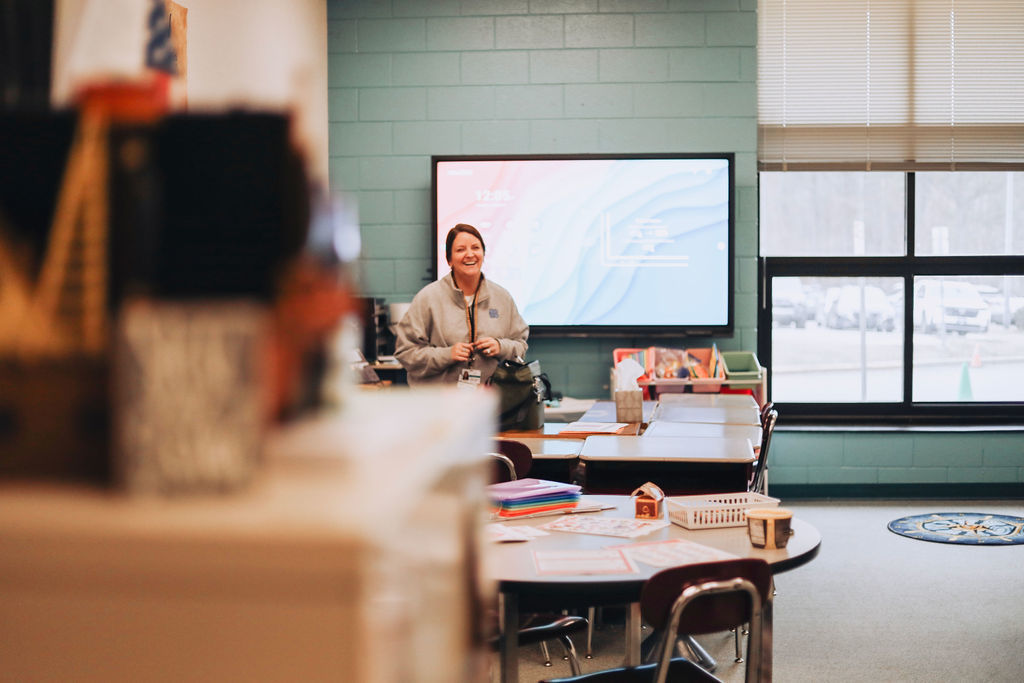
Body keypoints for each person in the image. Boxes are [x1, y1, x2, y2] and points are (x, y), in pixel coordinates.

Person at [395, 223, 528, 386]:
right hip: (439, 404)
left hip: (488, 402)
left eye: (475, 248)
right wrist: (447, 354)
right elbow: (406, 353)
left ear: (483, 254)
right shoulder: (428, 298)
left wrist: (500, 347)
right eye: (460, 250)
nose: (470, 254)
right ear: (449, 260)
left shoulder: (502, 297)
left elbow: (520, 345)